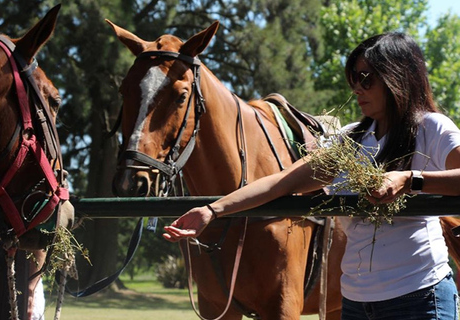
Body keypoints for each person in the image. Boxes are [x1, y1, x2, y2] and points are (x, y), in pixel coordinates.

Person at [163, 32, 460, 319]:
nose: (356, 88)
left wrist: (411, 180)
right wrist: (213, 210)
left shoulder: (431, 128)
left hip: (418, 297)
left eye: (366, 78)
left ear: (399, 76)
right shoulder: (349, 142)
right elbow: (282, 182)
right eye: (353, 78)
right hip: (356, 303)